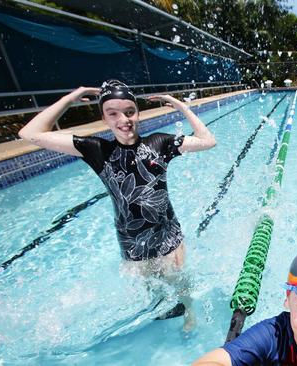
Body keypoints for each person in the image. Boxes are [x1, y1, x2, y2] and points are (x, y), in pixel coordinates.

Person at [18, 80, 216, 330]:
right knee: (154, 296)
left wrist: (179, 106)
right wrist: (73, 96)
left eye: (130, 111)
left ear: (138, 113)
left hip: (169, 238)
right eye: (113, 113)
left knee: (180, 284)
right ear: (104, 118)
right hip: (132, 243)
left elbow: (208, 141)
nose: (124, 119)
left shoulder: (159, 143)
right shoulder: (97, 150)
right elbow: (29, 134)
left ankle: (191, 315)